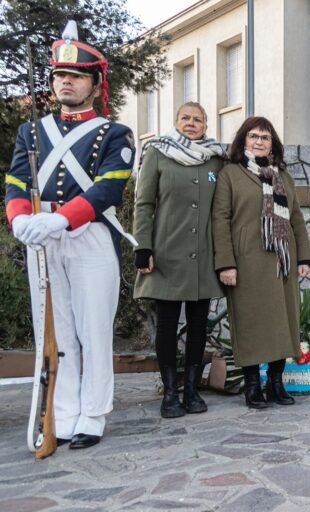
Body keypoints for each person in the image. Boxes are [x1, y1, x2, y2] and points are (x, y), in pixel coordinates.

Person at [5, 21, 135, 449]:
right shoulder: (31, 132)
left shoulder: (113, 133)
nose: (66, 82)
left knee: (92, 329)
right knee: (54, 331)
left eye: (76, 76)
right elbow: (17, 183)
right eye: (60, 75)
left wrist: (62, 219)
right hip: (41, 240)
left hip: (88, 237)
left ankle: (92, 414)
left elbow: (109, 186)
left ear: (95, 84)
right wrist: (20, 219)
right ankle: (60, 414)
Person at [132, 102, 227, 419]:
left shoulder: (216, 158)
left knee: (199, 325)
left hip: (202, 254)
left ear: (206, 126)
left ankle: (191, 390)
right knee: (168, 326)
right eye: (185, 118)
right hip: (166, 253)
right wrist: (142, 246)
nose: (191, 123)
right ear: (175, 122)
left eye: (197, 119)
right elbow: (143, 202)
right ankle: (170, 392)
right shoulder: (158, 153)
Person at [211, 117, 310, 409]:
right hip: (246, 261)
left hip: (282, 261)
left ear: (273, 143)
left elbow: (295, 217)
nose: (259, 141)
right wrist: (225, 263)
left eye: (265, 137)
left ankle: (276, 383)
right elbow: (221, 220)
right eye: (253, 136)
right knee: (251, 323)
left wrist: (303, 256)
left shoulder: (282, 176)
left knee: (283, 321)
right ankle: (253, 384)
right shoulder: (230, 175)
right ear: (243, 140)